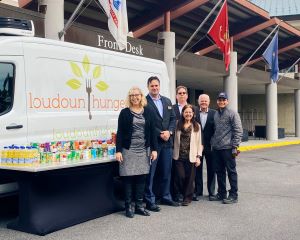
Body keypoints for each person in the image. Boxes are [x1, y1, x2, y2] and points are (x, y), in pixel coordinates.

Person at [116, 86, 158, 218]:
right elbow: (120, 133)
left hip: (143, 149)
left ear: (141, 96)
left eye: (137, 95)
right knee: (128, 177)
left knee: (142, 177)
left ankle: (139, 206)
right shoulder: (124, 113)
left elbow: (152, 132)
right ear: (129, 98)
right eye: (132, 95)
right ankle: (129, 206)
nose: (134, 97)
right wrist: (118, 151)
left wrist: (154, 149)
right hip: (128, 149)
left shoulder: (149, 111)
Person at [145, 76, 179, 212]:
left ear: (159, 86)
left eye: (156, 85)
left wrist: (169, 132)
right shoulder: (144, 102)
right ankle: (150, 200)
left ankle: (166, 196)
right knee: (151, 173)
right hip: (153, 143)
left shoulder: (167, 101)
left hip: (167, 143)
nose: (154, 88)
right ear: (148, 87)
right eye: (152, 86)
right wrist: (160, 133)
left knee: (166, 172)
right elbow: (146, 122)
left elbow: (173, 119)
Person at [210, 92, 243, 204]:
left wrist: (235, 146)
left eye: (223, 100)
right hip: (217, 148)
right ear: (217, 101)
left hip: (228, 148)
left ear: (227, 101)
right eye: (219, 100)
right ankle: (221, 193)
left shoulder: (232, 113)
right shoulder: (215, 114)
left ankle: (234, 195)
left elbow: (238, 130)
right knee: (219, 172)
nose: (221, 101)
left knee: (231, 172)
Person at [173, 104, 203, 206]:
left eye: (190, 112)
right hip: (178, 155)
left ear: (193, 114)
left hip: (192, 156)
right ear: (183, 113)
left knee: (190, 178)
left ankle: (187, 197)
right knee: (180, 176)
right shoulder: (177, 124)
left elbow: (199, 142)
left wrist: (198, 157)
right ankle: (180, 193)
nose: (188, 114)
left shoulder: (197, 126)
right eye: (186, 112)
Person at [194, 94, 216, 201]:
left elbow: (217, 130)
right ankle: (198, 191)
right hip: (197, 146)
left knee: (212, 169)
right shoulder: (194, 113)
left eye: (205, 101)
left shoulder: (214, 113)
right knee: (197, 169)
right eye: (201, 101)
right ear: (198, 102)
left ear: (209, 102)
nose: (203, 103)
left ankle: (212, 192)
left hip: (210, 146)